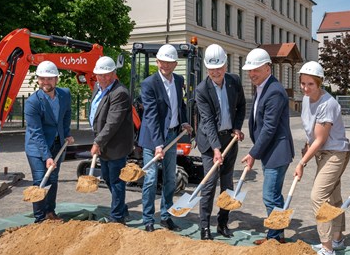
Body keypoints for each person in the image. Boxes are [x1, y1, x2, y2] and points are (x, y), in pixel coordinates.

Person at [293, 61, 350, 255]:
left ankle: (328, 249)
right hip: (322, 153)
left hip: (335, 153)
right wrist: (306, 149)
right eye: (303, 83)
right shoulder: (307, 100)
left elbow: (321, 138)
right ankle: (337, 239)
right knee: (333, 197)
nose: (305, 88)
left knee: (318, 196)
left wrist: (301, 162)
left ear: (320, 83)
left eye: (310, 84)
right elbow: (311, 135)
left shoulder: (328, 104)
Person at [240, 48, 294, 244]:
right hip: (270, 152)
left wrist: (253, 153)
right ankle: (276, 235)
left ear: (267, 67)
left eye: (256, 69)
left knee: (270, 196)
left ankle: (275, 237)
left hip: (277, 152)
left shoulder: (275, 91)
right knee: (274, 195)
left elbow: (269, 127)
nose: (252, 74)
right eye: (250, 70)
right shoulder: (263, 87)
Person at [138, 44, 192, 232]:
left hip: (172, 135)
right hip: (153, 138)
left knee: (170, 177)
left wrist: (184, 122)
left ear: (176, 64)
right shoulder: (149, 84)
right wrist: (158, 144)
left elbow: (181, 105)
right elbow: (151, 115)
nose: (166, 66)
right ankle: (148, 219)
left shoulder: (178, 80)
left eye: (170, 63)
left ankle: (166, 216)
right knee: (151, 178)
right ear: (157, 62)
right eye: (162, 62)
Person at [194, 44, 246, 240]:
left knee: (228, 185)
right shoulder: (202, 90)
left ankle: (223, 223)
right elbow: (207, 122)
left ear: (225, 65)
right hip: (210, 144)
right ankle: (204, 226)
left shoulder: (234, 81)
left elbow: (241, 106)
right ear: (207, 68)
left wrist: (237, 127)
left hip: (229, 140)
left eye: (219, 67)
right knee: (209, 185)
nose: (216, 72)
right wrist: (216, 148)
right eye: (212, 68)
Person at [24, 61, 74, 223]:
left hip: (58, 145)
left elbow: (66, 115)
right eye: (42, 79)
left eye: (49, 79)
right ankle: (39, 219)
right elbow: (36, 132)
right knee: (41, 181)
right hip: (37, 148)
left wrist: (66, 133)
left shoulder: (65, 94)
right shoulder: (33, 103)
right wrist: (47, 157)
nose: (46, 82)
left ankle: (50, 212)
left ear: (56, 79)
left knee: (53, 180)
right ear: (38, 80)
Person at [89, 56, 134, 224]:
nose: (104, 78)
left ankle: (117, 218)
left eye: (107, 74)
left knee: (116, 181)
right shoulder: (97, 87)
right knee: (107, 178)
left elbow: (112, 123)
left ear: (114, 73)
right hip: (103, 143)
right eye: (100, 75)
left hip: (115, 145)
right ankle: (121, 208)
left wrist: (97, 142)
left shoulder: (120, 93)